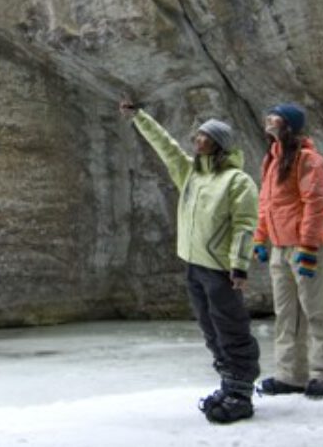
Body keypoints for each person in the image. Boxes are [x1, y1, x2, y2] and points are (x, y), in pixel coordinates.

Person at [119, 99, 260, 424]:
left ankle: (241, 393)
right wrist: (139, 118)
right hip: (195, 266)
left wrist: (239, 266)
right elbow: (165, 146)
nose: (195, 141)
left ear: (218, 144)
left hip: (221, 270)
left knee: (231, 328)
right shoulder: (191, 175)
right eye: (196, 136)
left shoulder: (237, 182)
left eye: (202, 137)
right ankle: (228, 383)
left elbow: (244, 225)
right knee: (211, 329)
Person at [252, 103, 323, 399]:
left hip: (308, 247)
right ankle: (291, 375)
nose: (268, 119)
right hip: (280, 248)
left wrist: (307, 245)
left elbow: (314, 204)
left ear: (289, 124)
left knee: (318, 312)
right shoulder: (272, 160)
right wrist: (260, 238)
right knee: (287, 315)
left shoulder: (308, 159)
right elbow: (266, 205)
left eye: (275, 116)